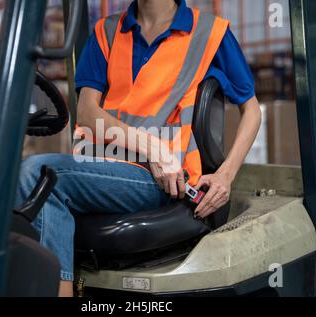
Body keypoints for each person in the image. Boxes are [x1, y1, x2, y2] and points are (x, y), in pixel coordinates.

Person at [16, 0, 262, 297]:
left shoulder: (210, 33)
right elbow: (87, 113)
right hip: (104, 169)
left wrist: (225, 176)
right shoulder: (107, 32)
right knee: (33, 183)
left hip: (162, 178)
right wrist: (150, 145)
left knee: (38, 174)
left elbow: (252, 111)